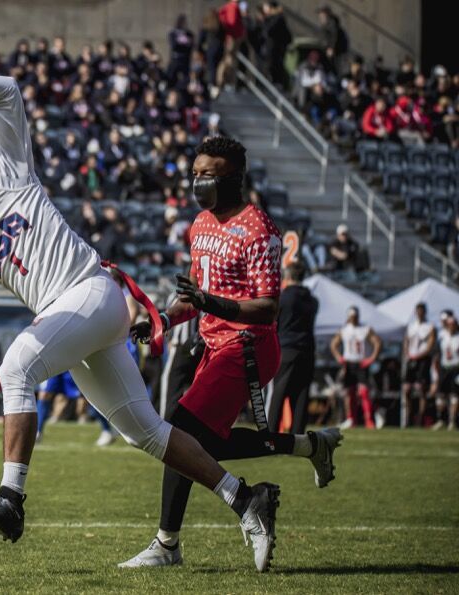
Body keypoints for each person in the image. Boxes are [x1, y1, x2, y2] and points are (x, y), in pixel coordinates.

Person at [0, 63, 288, 568]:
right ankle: (246, 499)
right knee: (147, 432)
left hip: (89, 291)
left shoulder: (3, 171)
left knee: (15, 369)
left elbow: (7, 92)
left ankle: (10, 500)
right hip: (76, 317)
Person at [120, 136, 340, 570]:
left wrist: (210, 303)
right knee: (202, 446)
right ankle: (309, 446)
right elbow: (192, 295)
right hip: (213, 345)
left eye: (209, 175)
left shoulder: (259, 229)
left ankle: (170, 543)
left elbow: (267, 307)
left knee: (177, 435)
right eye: (196, 173)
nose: (198, 182)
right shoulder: (200, 224)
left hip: (248, 346)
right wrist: (159, 319)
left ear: (234, 179)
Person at [267, 262, 318, 433]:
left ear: (287, 277)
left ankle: (271, 434)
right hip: (307, 349)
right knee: (302, 395)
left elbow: (275, 323)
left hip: (286, 348)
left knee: (279, 393)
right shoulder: (312, 300)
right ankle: (297, 437)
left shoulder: (284, 298)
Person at [330, 306, 382, 430]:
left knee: (364, 392)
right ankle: (351, 419)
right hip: (349, 363)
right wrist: (339, 357)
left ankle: (369, 420)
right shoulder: (344, 330)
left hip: (361, 363)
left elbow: (377, 342)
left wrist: (371, 358)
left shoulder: (365, 329)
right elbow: (333, 344)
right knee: (349, 393)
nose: (353, 318)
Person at [401, 303, 436, 428]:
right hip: (411, 359)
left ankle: (420, 418)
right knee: (407, 388)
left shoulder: (429, 326)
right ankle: (408, 417)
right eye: (418, 311)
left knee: (422, 389)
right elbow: (406, 341)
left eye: (422, 311)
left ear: (425, 312)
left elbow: (431, 344)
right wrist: (408, 353)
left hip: (423, 360)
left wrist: (420, 355)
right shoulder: (411, 326)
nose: (419, 313)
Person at [431, 311, 459, 430]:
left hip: (456, 368)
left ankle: (452, 421)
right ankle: (441, 419)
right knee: (441, 395)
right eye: (449, 324)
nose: (451, 327)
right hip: (444, 368)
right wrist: (436, 375)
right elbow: (437, 356)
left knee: (454, 395)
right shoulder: (442, 337)